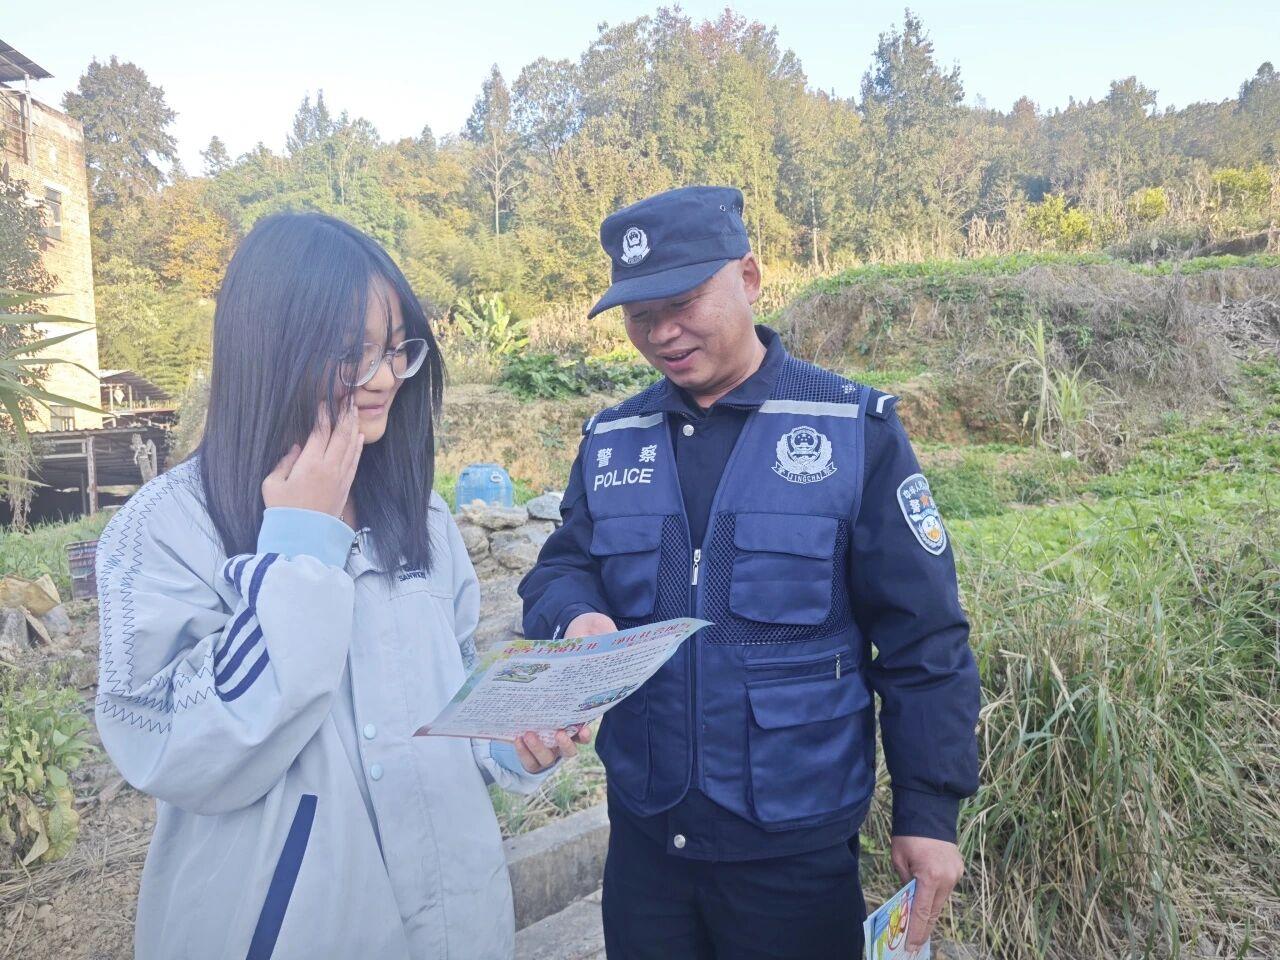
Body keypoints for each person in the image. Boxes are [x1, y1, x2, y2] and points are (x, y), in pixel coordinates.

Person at [95, 212, 588, 960]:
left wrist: (509, 747)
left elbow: (446, 703)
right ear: (270, 348)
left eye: (395, 349)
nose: (384, 378)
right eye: (351, 353)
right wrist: (299, 549)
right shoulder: (168, 527)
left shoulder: (420, 515)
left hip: (455, 926)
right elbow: (168, 747)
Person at [519, 186, 980, 960]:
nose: (662, 333)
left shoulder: (853, 431)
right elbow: (562, 567)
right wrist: (576, 617)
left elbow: (924, 639)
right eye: (639, 315)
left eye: (683, 302)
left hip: (793, 853)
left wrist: (929, 814)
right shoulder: (613, 438)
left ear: (750, 277)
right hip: (646, 844)